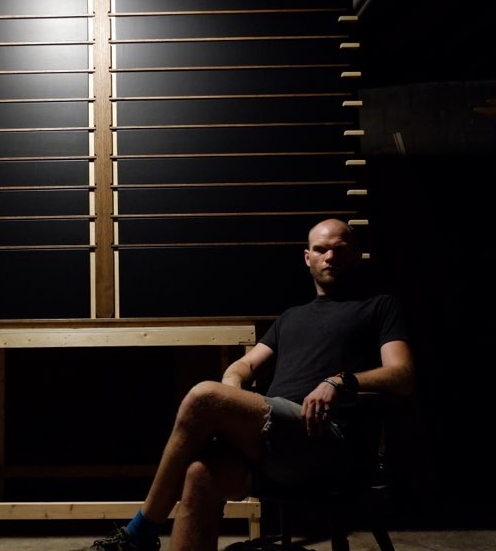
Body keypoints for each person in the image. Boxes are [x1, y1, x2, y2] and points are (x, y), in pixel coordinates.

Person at [83, 218, 415, 551]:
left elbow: (402, 375)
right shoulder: (291, 317)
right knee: (200, 473)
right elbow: (244, 365)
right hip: (275, 446)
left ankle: (139, 534)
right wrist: (232, 385)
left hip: (330, 443)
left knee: (203, 396)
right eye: (320, 249)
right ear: (307, 257)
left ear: (356, 254)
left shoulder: (378, 307)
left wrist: (341, 381)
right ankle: (142, 534)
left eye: (339, 250)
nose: (329, 256)